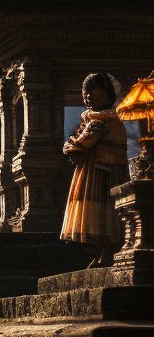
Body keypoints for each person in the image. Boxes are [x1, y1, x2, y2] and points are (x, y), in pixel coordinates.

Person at [62, 72, 129, 265]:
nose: (88, 96)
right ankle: (100, 255)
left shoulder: (103, 120)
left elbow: (82, 144)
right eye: (86, 92)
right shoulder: (93, 120)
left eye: (92, 91)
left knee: (103, 212)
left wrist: (72, 144)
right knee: (97, 213)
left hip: (104, 172)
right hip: (93, 171)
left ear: (106, 94)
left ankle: (106, 255)